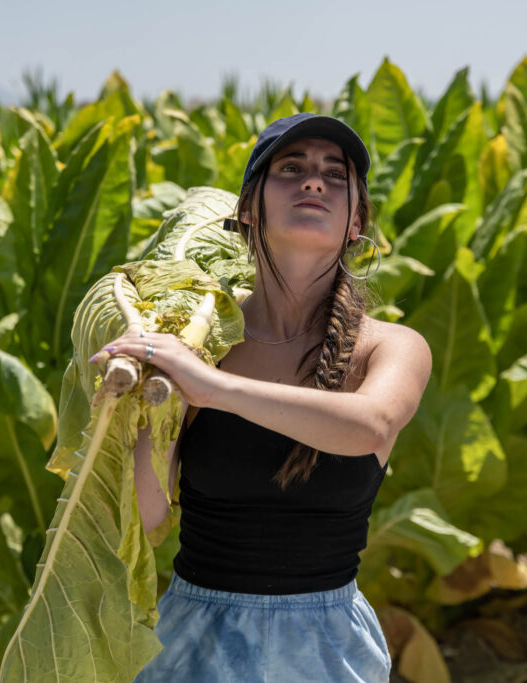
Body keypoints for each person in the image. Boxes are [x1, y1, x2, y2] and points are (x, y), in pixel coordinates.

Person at [100, 113, 432, 682]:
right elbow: (147, 512)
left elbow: (371, 425)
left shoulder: (390, 347)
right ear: (249, 209)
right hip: (194, 643)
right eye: (291, 168)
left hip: (328, 651)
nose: (314, 181)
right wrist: (141, 401)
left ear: (356, 222)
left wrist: (213, 388)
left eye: (335, 174)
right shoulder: (199, 344)